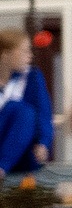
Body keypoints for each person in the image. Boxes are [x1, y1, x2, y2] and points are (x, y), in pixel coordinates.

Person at [0, 27, 52, 176]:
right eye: (24, 51)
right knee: (15, 108)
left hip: (24, 152)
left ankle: (1, 169)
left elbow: (44, 114)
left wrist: (43, 143)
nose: (30, 56)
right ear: (5, 55)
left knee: (23, 111)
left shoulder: (33, 77)